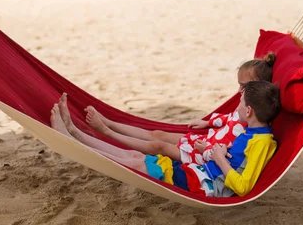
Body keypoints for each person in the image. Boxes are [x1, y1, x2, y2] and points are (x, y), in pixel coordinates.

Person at [50, 80, 281, 197]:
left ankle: (71, 138)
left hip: (201, 184)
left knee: (135, 163)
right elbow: (233, 158)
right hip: (196, 173)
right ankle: (74, 132)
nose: (237, 106)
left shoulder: (260, 142)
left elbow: (242, 186)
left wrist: (219, 156)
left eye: (240, 103)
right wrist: (213, 151)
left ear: (249, 111)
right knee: (135, 156)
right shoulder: (254, 134)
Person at [83, 53, 276, 165]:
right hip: (204, 139)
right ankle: (109, 122)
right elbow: (228, 119)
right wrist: (207, 122)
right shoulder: (246, 105)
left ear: (258, 87)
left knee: (159, 147)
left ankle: (106, 130)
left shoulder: (252, 123)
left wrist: (206, 148)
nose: (238, 91)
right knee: (157, 133)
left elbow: (231, 152)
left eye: (243, 86)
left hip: (204, 156)